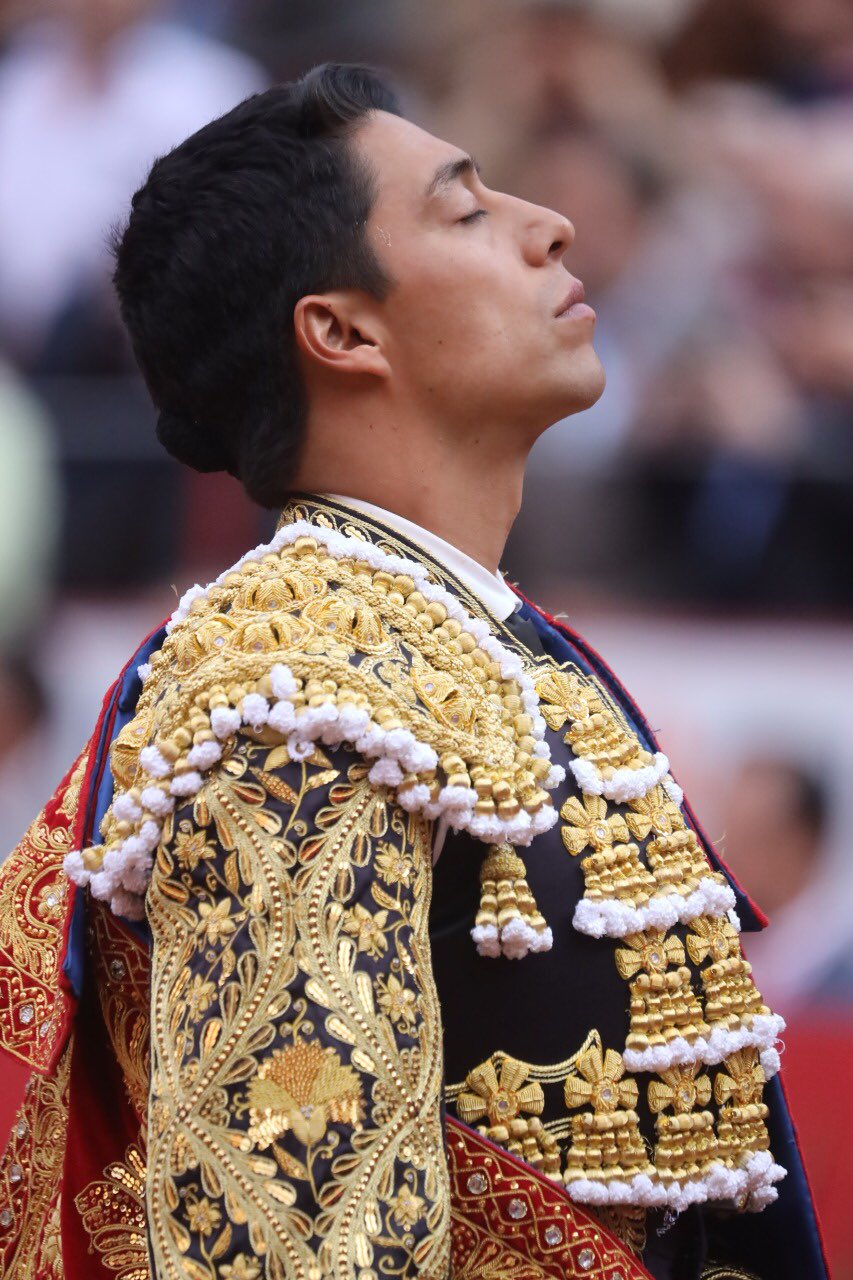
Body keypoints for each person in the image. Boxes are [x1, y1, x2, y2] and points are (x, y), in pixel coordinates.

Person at [0, 64, 828, 1280]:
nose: (551, 226)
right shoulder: (292, 695)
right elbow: (294, 1244)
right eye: (467, 210)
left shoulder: (476, 645)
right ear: (341, 331)